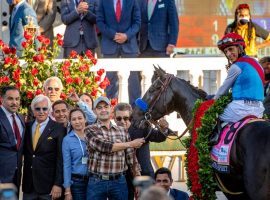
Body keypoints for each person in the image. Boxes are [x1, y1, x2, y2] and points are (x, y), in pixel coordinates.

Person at [85, 96, 145, 199]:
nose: (103, 110)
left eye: (105, 107)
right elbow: (104, 146)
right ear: (95, 111)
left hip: (119, 182)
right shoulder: (90, 130)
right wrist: (131, 143)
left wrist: (138, 178)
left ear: (111, 109)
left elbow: (131, 159)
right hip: (97, 182)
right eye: (99, 108)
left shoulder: (122, 131)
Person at [210, 33, 265, 144]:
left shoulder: (236, 67)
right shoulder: (257, 63)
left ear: (239, 48)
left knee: (209, 114)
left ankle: (214, 141)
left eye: (231, 49)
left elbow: (222, 91)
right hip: (259, 109)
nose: (229, 54)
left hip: (240, 109)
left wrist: (211, 102)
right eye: (226, 52)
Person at [113, 103, 169, 199]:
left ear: (130, 117)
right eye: (119, 118)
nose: (122, 121)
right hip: (123, 179)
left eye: (126, 118)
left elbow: (159, 137)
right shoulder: (111, 133)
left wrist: (164, 128)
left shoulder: (142, 128)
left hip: (145, 175)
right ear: (114, 118)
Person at [96, 0, 141, 107]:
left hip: (129, 45)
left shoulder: (133, 1)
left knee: (133, 80)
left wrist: (126, 35)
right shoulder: (103, 2)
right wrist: (113, 35)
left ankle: (135, 110)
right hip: (109, 44)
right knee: (110, 80)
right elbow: (100, 22)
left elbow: (137, 22)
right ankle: (109, 108)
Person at [22, 94, 66, 200]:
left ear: (49, 110)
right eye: (38, 109)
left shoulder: (59, 128)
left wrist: (58, 184)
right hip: (29, 186)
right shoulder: (26, 127)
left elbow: (61, 159)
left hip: (49, 187)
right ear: (33, 110)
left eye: (45, 108)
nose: (41, 111)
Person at [0, 86, 25, 192]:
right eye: (10, 99)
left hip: (16, 176)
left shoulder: (21, 118)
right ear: (2, 99)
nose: (15, 102)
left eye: (17, 99)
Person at [62, 108, 88, 200]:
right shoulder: (67, 140)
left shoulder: (93, 135)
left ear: (85, 119)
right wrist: (67, 191)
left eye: (80, 118)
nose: (77, 122)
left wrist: (79, 102)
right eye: (73, 119)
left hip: (94, 181)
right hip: (77, 182)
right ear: (70, 122)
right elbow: (67, 166)